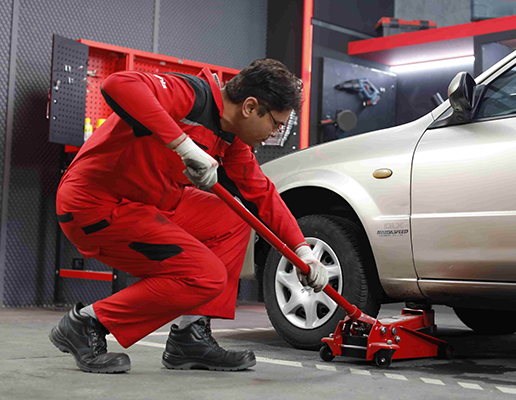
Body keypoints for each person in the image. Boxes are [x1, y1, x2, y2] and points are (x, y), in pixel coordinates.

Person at [49, 59, 329, 373]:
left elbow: (263, 196)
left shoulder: (231, 139)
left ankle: (190, 335)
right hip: (93, 203)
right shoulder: (191, 96)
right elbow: (118, 84)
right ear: (250, 107)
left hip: (151, 201)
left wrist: (302, 250)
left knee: (234, 217)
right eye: (276, 124)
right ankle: (87, 323)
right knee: (206, 275)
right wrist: (184, 146)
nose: (275, 133)